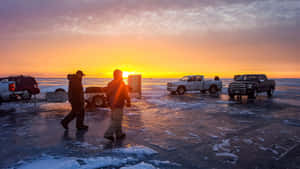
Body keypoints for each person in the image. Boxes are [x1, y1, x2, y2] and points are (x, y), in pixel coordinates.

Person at [104, 69, 131, 141]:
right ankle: (108, 134)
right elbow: (125, 93)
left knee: (116, 119)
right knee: (117, 120)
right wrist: (128, 101)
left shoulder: (110, 83)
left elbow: (107, 94)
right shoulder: (121, 83)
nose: (121, 75)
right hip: (118, 104)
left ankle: (119, 134)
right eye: (121, 74)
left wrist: (108, 102)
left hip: (112, 104)